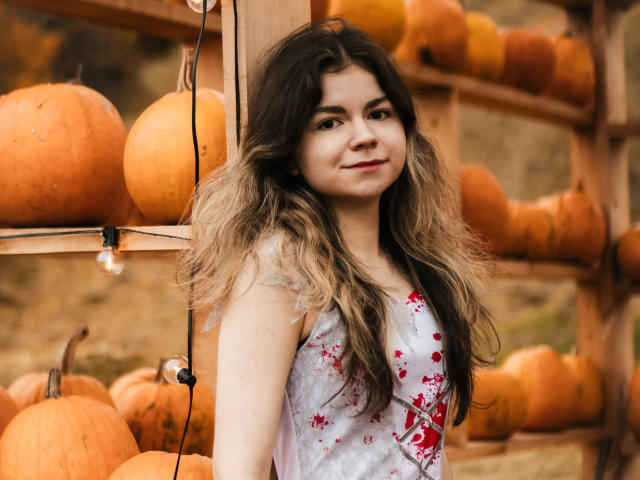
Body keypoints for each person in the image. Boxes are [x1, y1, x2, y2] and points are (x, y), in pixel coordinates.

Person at [182, 18, 496, 480]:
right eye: (330, 122)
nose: (364, 135)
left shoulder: (415, 266)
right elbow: (240, 469)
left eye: (378, 113)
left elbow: (425, 444)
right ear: (288, 152)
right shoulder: (278, 274)